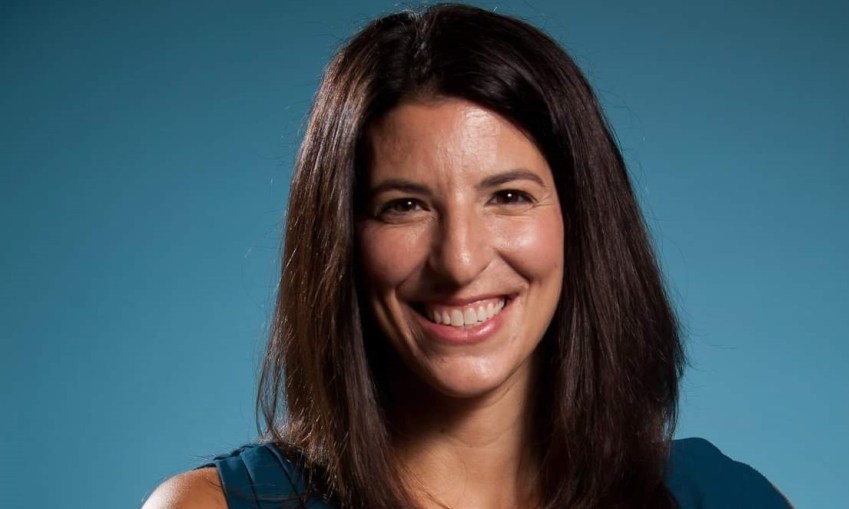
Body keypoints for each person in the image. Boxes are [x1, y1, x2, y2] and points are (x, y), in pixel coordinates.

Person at [143, 4, 792, 508]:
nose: (458, 261)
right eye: (404, 205)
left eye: (508, 196)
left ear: (581, 221)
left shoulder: (723, 497)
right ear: (340, 238)